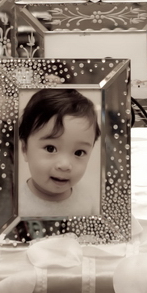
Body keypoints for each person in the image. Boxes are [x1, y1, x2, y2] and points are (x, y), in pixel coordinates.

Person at [18, 88, 101, 217]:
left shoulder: (90, 200)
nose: (65, 165)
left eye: (79, 152)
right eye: (50, 148)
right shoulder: (14, 206)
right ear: (25, 149)